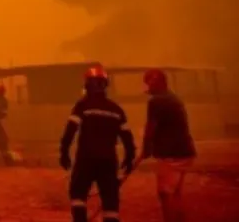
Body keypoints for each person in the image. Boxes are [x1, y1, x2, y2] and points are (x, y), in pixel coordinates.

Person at [60, 65, 136, 222]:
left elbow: (70, 130)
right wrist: (129, 158)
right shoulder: (116, 109)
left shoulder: (83, 105)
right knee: (110, 200)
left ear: (87, 85)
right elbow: (127, 138)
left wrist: (64, 152)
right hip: (108, 161)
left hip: (86, 158)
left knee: (78, 193)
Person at [138, 68, 196, 222]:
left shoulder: (157, 101)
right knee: (175, 192)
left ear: (156, 82)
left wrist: (146, 149)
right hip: (185, 151)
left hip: (171, 154)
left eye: (148, 82)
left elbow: (151, 127)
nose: (146, 86)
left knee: (165, 193)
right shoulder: (172, 98)